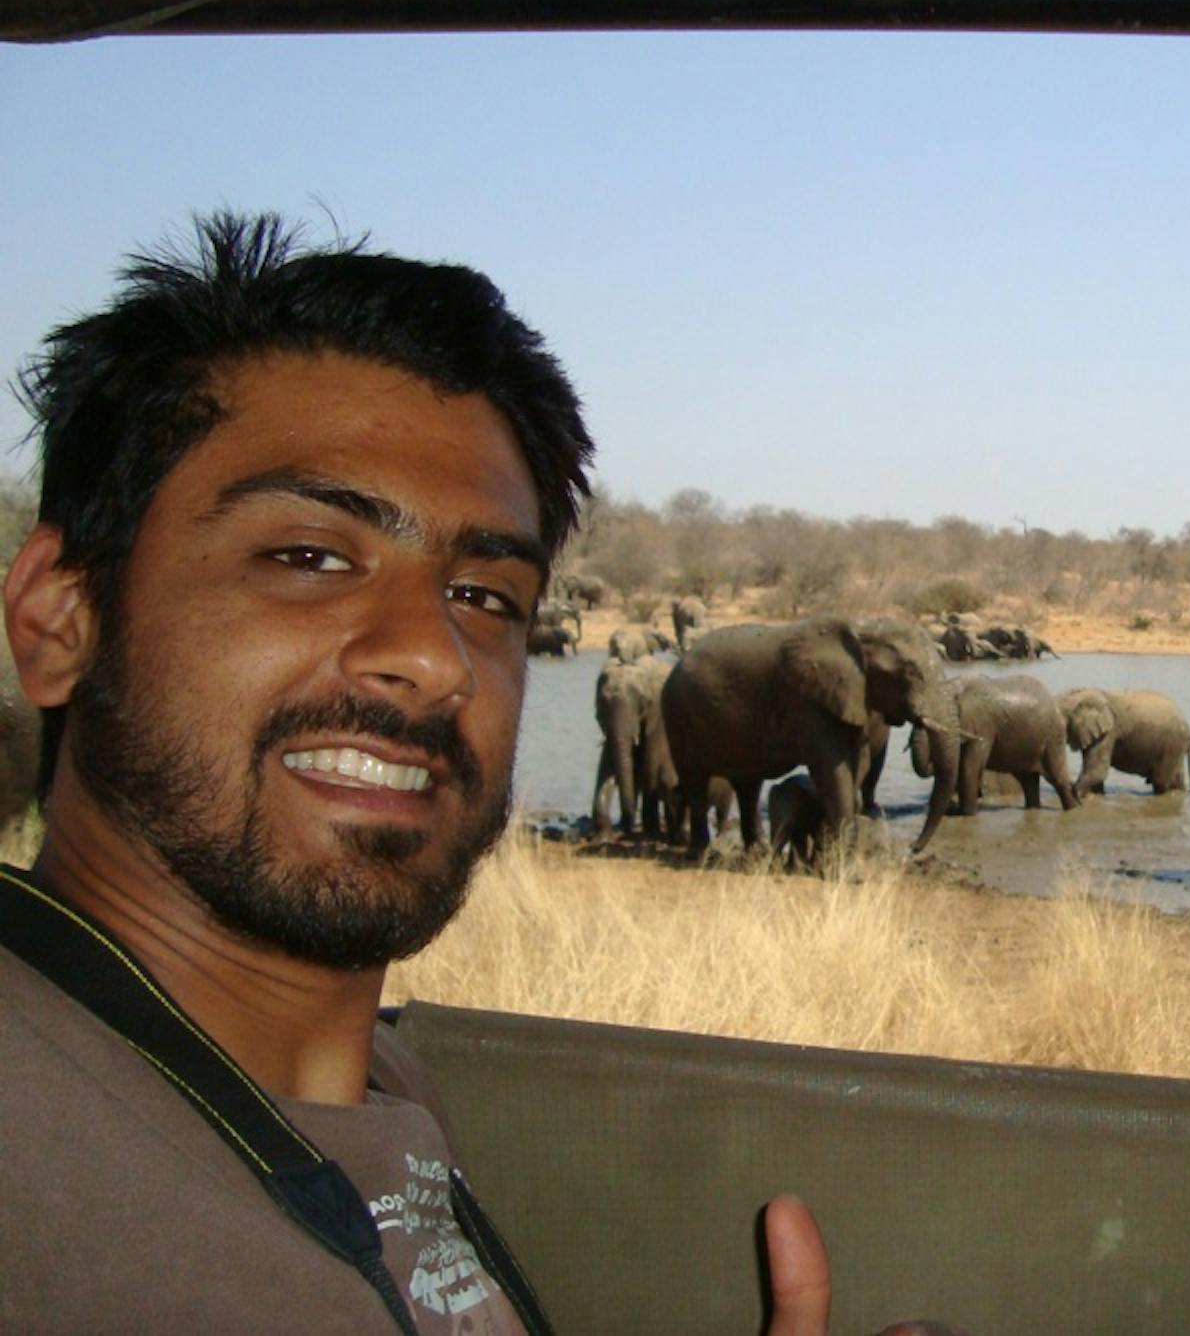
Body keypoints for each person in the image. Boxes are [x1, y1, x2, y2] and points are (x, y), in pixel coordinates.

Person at [0, 212, 942, 1334]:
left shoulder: (385, 1099)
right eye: (308, 556)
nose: (433, 657)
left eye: (487, 598)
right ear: (59, 617)